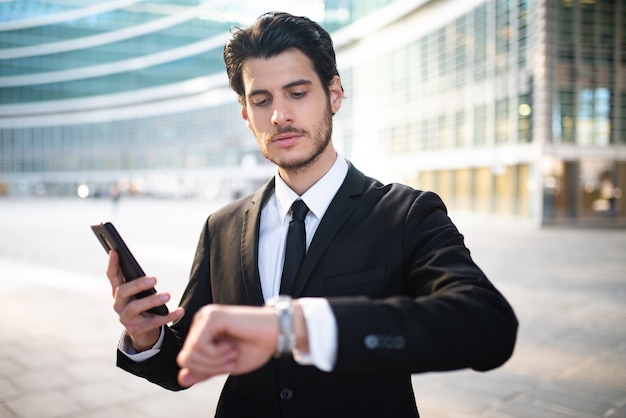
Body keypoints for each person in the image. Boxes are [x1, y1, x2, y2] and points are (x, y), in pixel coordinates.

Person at [107, 11, 518, 418]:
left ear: (334, 94)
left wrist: (297, 327)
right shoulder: (222, 227)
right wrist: (148, 337)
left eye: (297, 93)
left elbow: (487, 326)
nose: (279, 115)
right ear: (246, 114)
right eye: (261, 100)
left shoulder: (407, 213)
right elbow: (184, 365)